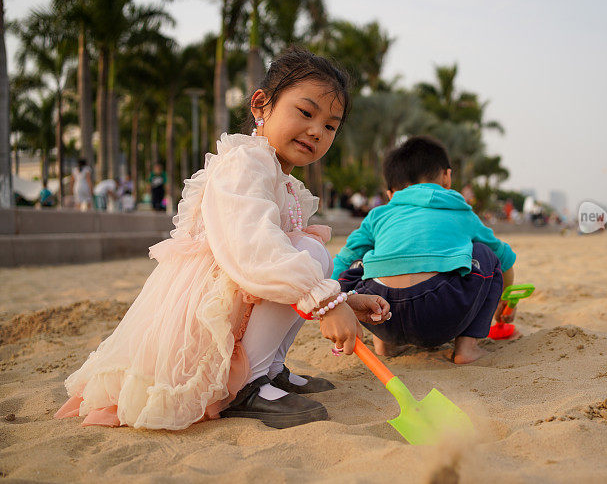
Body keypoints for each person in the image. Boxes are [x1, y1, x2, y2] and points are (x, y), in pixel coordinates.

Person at [55, 47, 390, 431]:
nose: (317, 130)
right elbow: (256, 248)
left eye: (330, 125)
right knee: (306, 252)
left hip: (241, 290)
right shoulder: (245, 164)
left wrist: (341, 296)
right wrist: (326, 300)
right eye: (306, 112)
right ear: (261, 105)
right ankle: (247, 384)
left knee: (312, 250)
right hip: (209, 302)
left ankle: (268, 369)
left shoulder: (277, 175)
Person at [333, 136, 517, 364]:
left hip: (378, 314)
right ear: (447, 177)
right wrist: (509, 300)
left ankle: (384, 344)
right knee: (486, 254)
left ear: (391, 193)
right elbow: (506, 259)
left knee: (356, 263)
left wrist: (329, 304)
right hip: (439, 314)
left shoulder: (378, 215)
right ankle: (467, 348)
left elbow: (341, 261)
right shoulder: (461, 211)